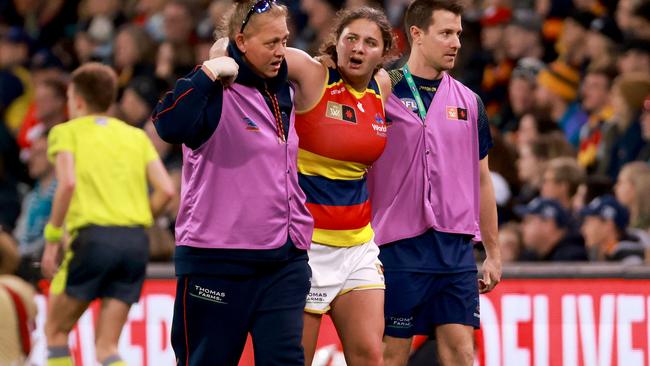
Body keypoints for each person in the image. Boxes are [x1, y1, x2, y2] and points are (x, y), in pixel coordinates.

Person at [152, 1, 314, 365]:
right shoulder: (214, 88)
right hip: (218, 262)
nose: (280, 51)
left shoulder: (283, 91)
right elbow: (167, 124)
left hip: (284, 262)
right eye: (271, 42)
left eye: (284, 41)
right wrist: (207, 72)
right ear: (240, 41)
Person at [366, 1, 502, 365]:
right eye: (445, 33)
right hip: (398, 245)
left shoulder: (470, 102)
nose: (455, 42)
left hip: (454, 248)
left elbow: (482, 180)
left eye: (457, 33)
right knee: (392, 353)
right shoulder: (383, 88)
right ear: (417, 35)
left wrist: (493, 251)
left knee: (461, 351)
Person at [41, 62, 174, 366]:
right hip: (134, 243)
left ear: (76, 99)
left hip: (92, 240)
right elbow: (166, 190)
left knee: (56, 331)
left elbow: (68, 183)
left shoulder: (65, 133)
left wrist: (51, 240)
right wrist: (139, 217)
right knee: (107, 347)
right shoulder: (135, 137)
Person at [283, 7, 393, 366]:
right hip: (308, 247)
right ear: (337, 43)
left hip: (358, 245)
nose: (359, 48)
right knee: (295, 359)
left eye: (370, 43)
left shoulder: (383, 87)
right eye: (351, 39)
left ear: (383, 54)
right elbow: (252, 48)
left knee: (370, 356)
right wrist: (220, 54)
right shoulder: (314, 76)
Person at [517, 198, 588, 262]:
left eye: (528, 221)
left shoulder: (571, 257)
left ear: (548, 225)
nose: (522, 227)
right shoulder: (535, 255)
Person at [580, 195, 645, 264]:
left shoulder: (630, 259)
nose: (583, 229)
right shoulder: (600, 253)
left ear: (608, 226)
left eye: (588, 222)